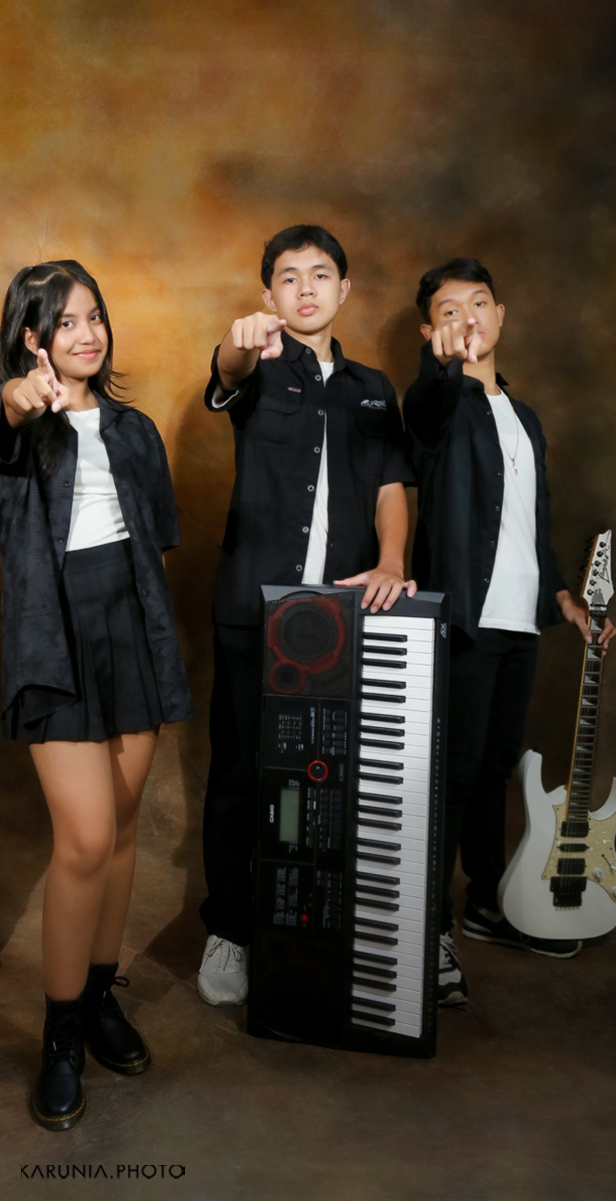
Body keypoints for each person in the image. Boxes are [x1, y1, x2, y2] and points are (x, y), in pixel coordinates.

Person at [0, 261, 192, 1131]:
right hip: (52, 638)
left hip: (132, 629)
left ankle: (100, 1000)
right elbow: (1, 419)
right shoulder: (11, 413)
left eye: (94, 316)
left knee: (123, 831)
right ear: (33, 337)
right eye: (65, 322)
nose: (87, 333)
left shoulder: (136, 431)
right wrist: (26, 397)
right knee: (86, 838)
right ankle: (60, 1036)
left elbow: (158, 540)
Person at [198, 225, 415, 1006]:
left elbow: (391, 483)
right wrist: (236, 345)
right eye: (288, 278)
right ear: (269, 295)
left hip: (342, 616)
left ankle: (316, 927)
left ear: (344, 290)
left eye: (320, 275)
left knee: (331, 779)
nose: (305, 289)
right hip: (253, 609)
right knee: (240, 774)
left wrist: (392, 561)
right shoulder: (256, 362)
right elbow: (224, 375)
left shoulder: (373, 387)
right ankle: (229, 931)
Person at [404, 258, 616, 1006]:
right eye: (449, 310)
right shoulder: (438, 408)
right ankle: (428, 928)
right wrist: (439, 370)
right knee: (453, 773)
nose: (467, 318)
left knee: (496, 768)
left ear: (501, 315)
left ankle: (486, 903)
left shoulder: (525, 419)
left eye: (479, 303)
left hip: (521, 621)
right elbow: (423, 412)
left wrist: (563, 597)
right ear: (431, 331)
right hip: (465, 619)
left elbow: (535, 521)